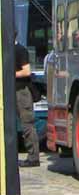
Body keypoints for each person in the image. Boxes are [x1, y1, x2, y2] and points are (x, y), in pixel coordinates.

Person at [15, 34, 40, 166]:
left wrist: (9, 73)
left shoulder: (20, 50)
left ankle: (33, 158)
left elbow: (26, 71)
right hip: (11, 91)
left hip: (22, 91)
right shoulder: (6, 51)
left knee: (27, 124)